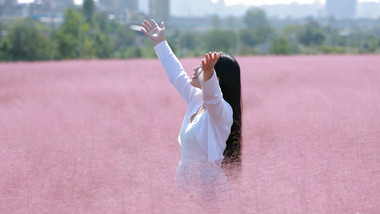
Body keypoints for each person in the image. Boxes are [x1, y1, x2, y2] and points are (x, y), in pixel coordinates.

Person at [141, 19, 242, 199]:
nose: (196, 69)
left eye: (203, 67)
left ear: (217, 79)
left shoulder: (222, 111)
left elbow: (213, 97)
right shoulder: (197, 99)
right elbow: (177, 76)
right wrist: (161, 43)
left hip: (210, 190)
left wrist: (208, 76)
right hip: (186, 184)